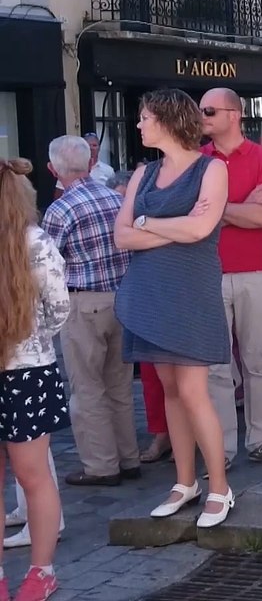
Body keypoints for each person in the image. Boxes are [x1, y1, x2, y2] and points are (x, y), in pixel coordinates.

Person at [114, 88, 234, 529]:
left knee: (193, 390)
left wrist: (148, 223)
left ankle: (219, 486)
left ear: (166, 119)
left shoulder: (211, 168)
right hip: (150, 290)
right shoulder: (143, 173)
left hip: (189, 291)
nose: (140, 124)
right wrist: (171, 228)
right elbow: (122, 236)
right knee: (169, 391)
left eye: (145, 117)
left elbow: (203, 228)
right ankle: (185, 482)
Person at [40, 136, 138, 487]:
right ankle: (128, 457)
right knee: (119, 384)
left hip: (84, 301)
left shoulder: (61, 209)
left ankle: (101, 465)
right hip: (122, 298)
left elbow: (46, 263)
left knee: (87, 387)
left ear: (54, 169)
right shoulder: (116, 198)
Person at [199, 87, 262, 467]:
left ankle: (261, 439)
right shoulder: (199, 160)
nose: (202, 116)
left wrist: (217, 209)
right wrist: (241, 207)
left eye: (210, 110)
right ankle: (223, 448)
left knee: (257, 361)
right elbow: (193, 212)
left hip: (256, 273)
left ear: (234, 114)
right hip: (210, 272)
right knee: (216, 366)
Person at [0, 157, 71, 600]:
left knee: (29, 475)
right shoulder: (38, 241)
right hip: (28, 371)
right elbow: (60, 308)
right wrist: (33, 338)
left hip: (24, 371)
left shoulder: (33, 244)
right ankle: (39, 573)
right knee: (34, 475)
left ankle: (30, 574)